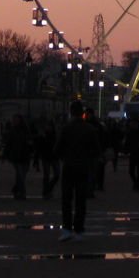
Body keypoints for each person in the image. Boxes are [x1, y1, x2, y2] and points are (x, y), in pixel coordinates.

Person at [56, 101, 100, 241]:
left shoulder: (66, 128)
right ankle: (79, 230)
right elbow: (96, 150)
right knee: (81, 200)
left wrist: (64, 157)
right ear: (83, 113)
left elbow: (57, 149)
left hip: (69, 166)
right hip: (83, 167)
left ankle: (67, 229)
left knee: (66, 200)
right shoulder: (90, 129)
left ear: (70, 112)